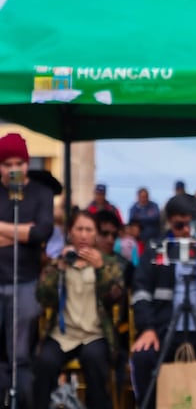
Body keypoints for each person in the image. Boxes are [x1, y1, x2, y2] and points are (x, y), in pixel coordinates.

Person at [129, 194, 196, 406]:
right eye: (180, 225)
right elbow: (140, 290)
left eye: (192, 224)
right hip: (164, 330)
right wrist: (147, 328)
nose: (187, 231)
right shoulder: (155, 249)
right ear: (169, 222)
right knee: (143, 359)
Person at [33, 210, 125, 408]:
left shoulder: (110, 264)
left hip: (95, 334)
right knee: (44, 363)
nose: (83, 235)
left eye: (89, 230)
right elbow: (42, 296)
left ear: (95, 235)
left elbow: (116, 297)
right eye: (79, 229)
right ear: (70, 233)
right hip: (62, 335)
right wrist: (59, 269)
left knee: (95, 362)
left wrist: (100, 269)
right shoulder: (59, 262)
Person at [0, 132, 55, 407]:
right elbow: (30, 232)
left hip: (26, 283)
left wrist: (1, 228)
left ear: (26, 163)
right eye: (7, 164)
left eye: (18, 163)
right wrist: (23, 231)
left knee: (20, 356)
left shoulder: (41, 194)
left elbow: (42, 231)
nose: (13, 169)